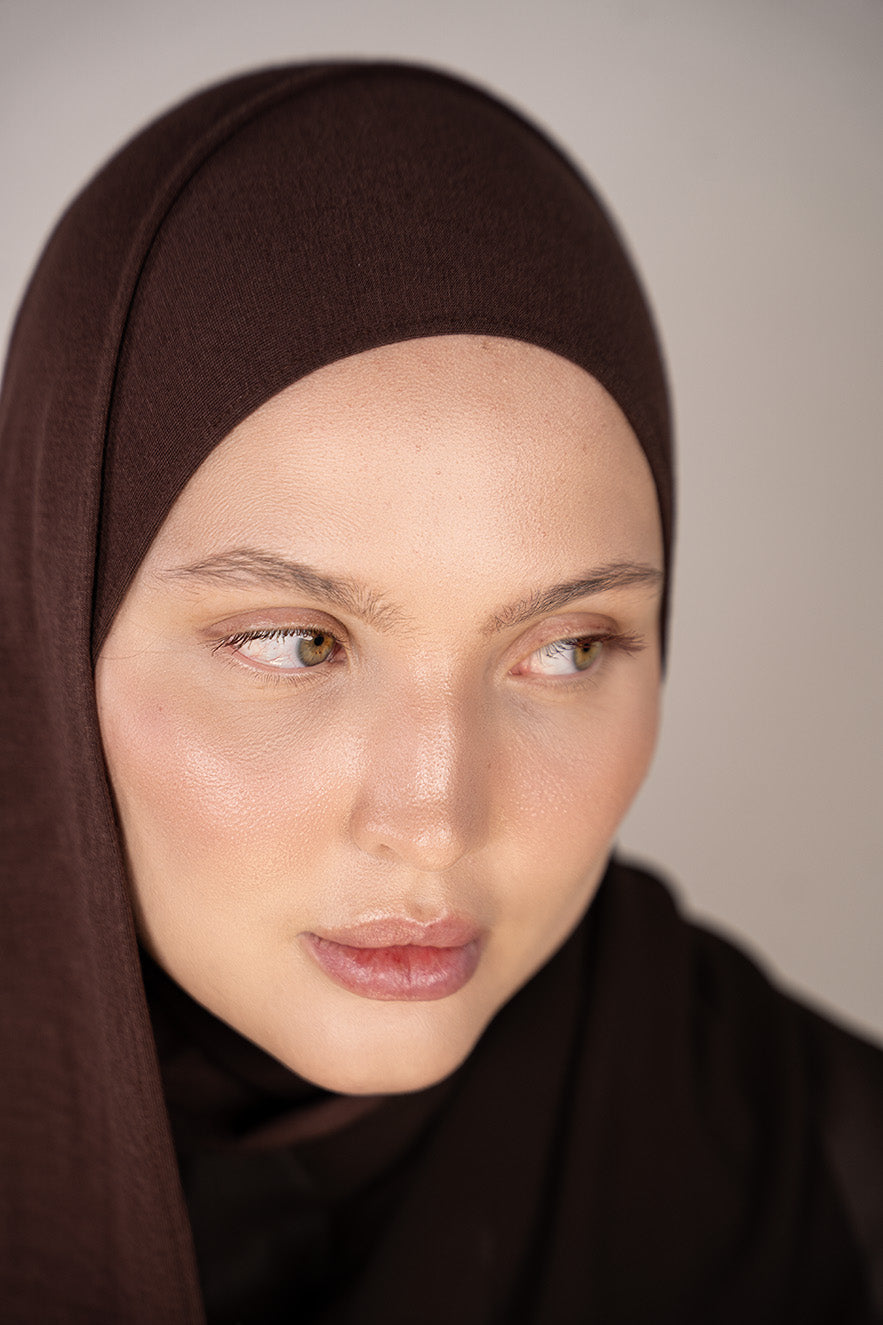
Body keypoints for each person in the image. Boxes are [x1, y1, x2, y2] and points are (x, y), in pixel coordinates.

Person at [0, 60, 879, 1324]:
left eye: (565, 649)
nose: (433, 820)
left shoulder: (830, 1185)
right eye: (295, 642)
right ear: (51, 629)